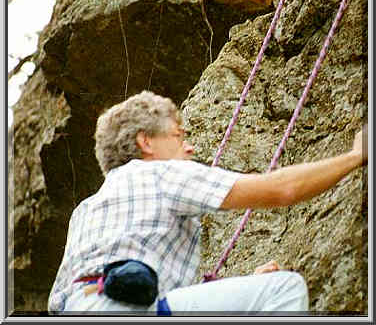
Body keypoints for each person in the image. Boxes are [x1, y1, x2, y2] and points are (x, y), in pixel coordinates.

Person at [48, 91, 367, 315]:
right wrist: (356, 156)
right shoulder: (162, 173)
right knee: (282, 289)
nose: (189, 147)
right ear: (146, 142)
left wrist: (244, 290)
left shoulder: (85, 211)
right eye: (178, 136)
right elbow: (281, 190)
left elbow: (57, 301)